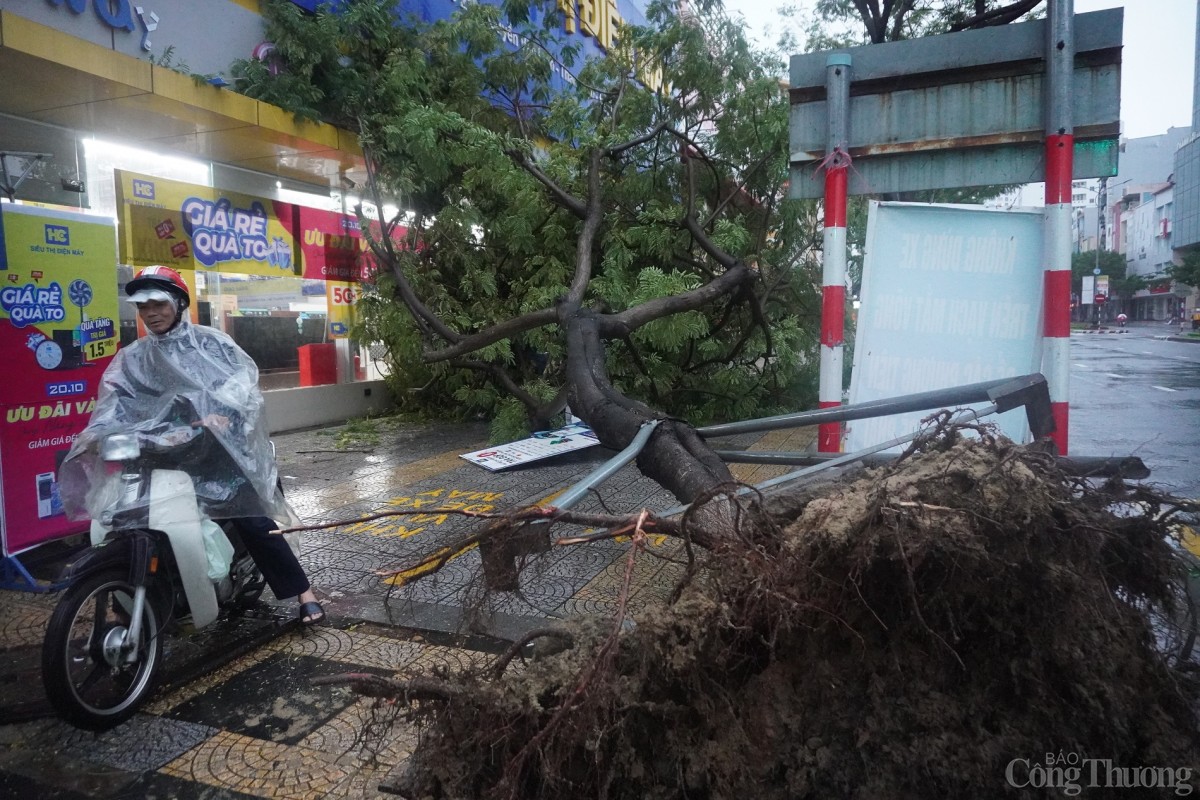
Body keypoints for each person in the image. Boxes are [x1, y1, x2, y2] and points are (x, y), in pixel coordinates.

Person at [61, 266, 324, 626]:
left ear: (179, 303)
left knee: (251, 520)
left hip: (213, 456)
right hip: (155, 455)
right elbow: (114, 404)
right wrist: (96, 434)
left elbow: (242, 388)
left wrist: (218, 415)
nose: (150, 313)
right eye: (143, 307)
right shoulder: (132, 358)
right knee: (120, 518)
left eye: (158, 303)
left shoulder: (212, 344)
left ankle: (303, 591)